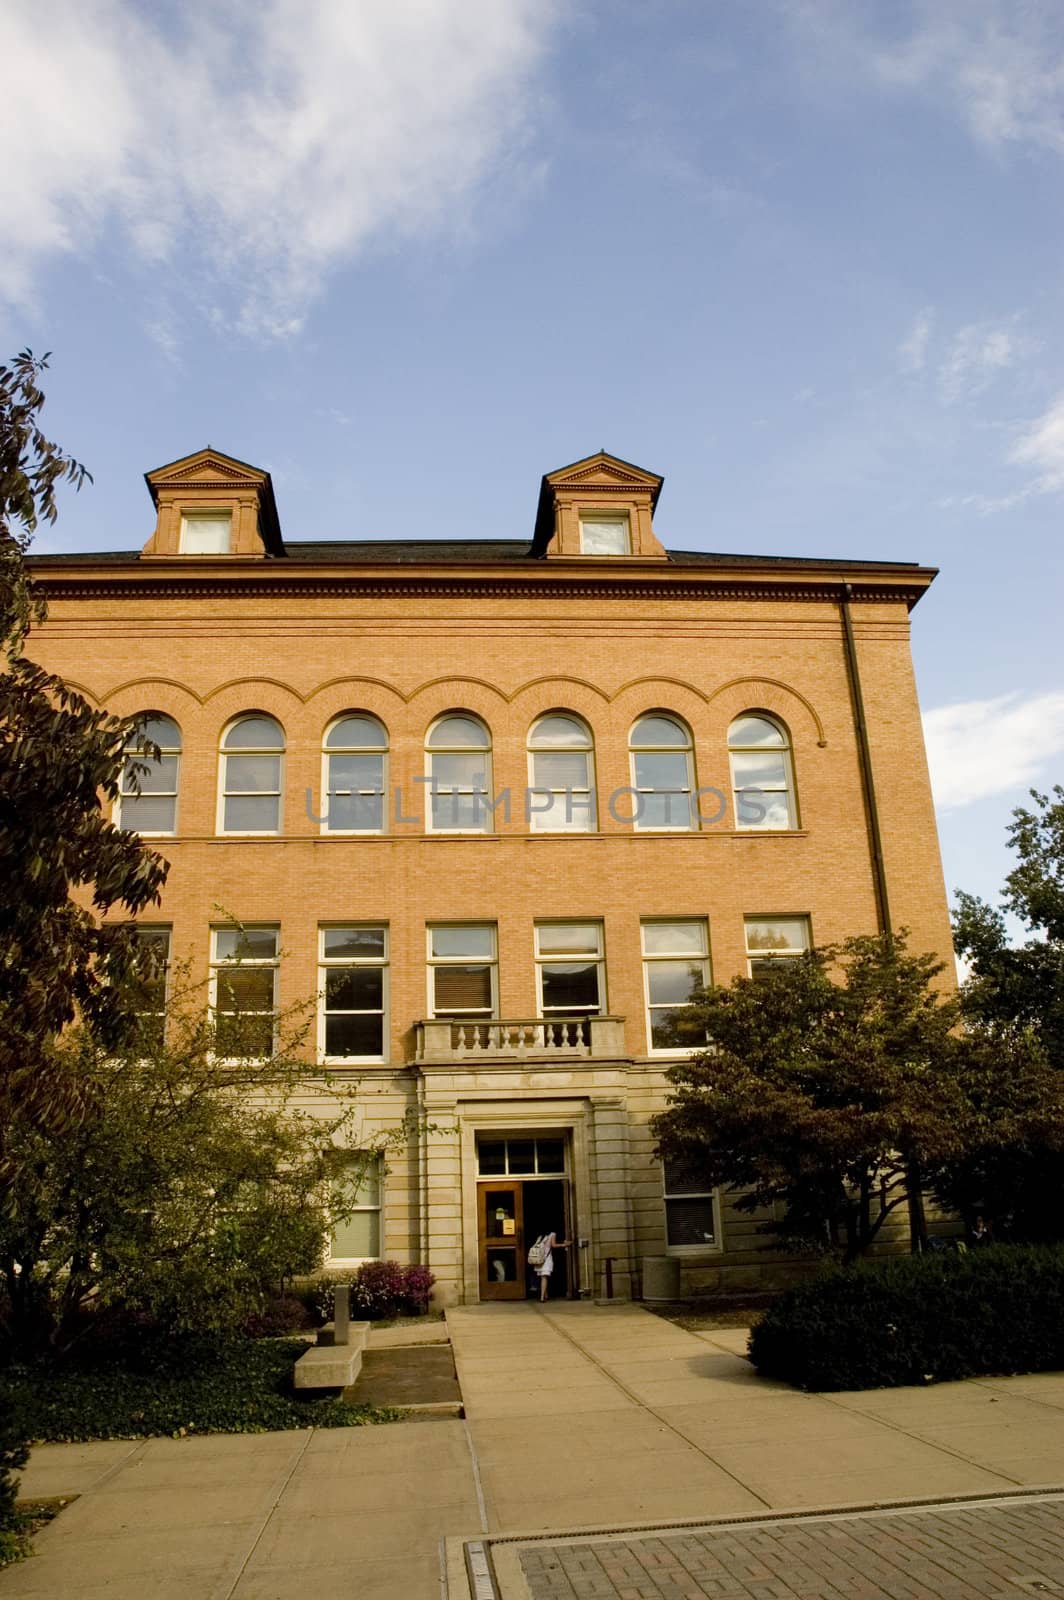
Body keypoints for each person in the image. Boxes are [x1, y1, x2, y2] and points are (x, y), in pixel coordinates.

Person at [533, 1229, 568, 1302]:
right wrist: (563, 1244)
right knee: (544, 1277)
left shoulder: (540, 1236)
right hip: (546, 1258)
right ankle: (542, 1297)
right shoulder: (552, 1234)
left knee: (543, 1277)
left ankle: (546, 1295)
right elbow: (553, 1245)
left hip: (539, 1258)